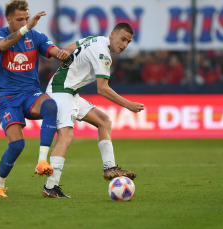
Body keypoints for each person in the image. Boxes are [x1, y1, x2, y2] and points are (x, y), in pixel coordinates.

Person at [42, 22, 145, 198]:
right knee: (66, 135)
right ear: (112, 34)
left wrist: (69, 61)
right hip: (61, 91)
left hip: (69, 91)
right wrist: (129, 105)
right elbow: (102, 89)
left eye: (128, 42)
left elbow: (66, 49)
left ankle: (109, 168)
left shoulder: (94, 39)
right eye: (122, 39)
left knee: (104, 121)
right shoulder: (103, 52)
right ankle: (50, 186)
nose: (124, 44)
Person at [0, 0, 69, 197]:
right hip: (7, 98)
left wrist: (62, 54)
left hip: (29, 94)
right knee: (17, 145)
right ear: (8, 19)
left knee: (50, 105)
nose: (25, 22)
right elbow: (2, 46)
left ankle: (42, 161)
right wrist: (26, 28)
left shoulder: (36, 37)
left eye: (26, 18)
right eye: (19, 20)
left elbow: (53, 50)